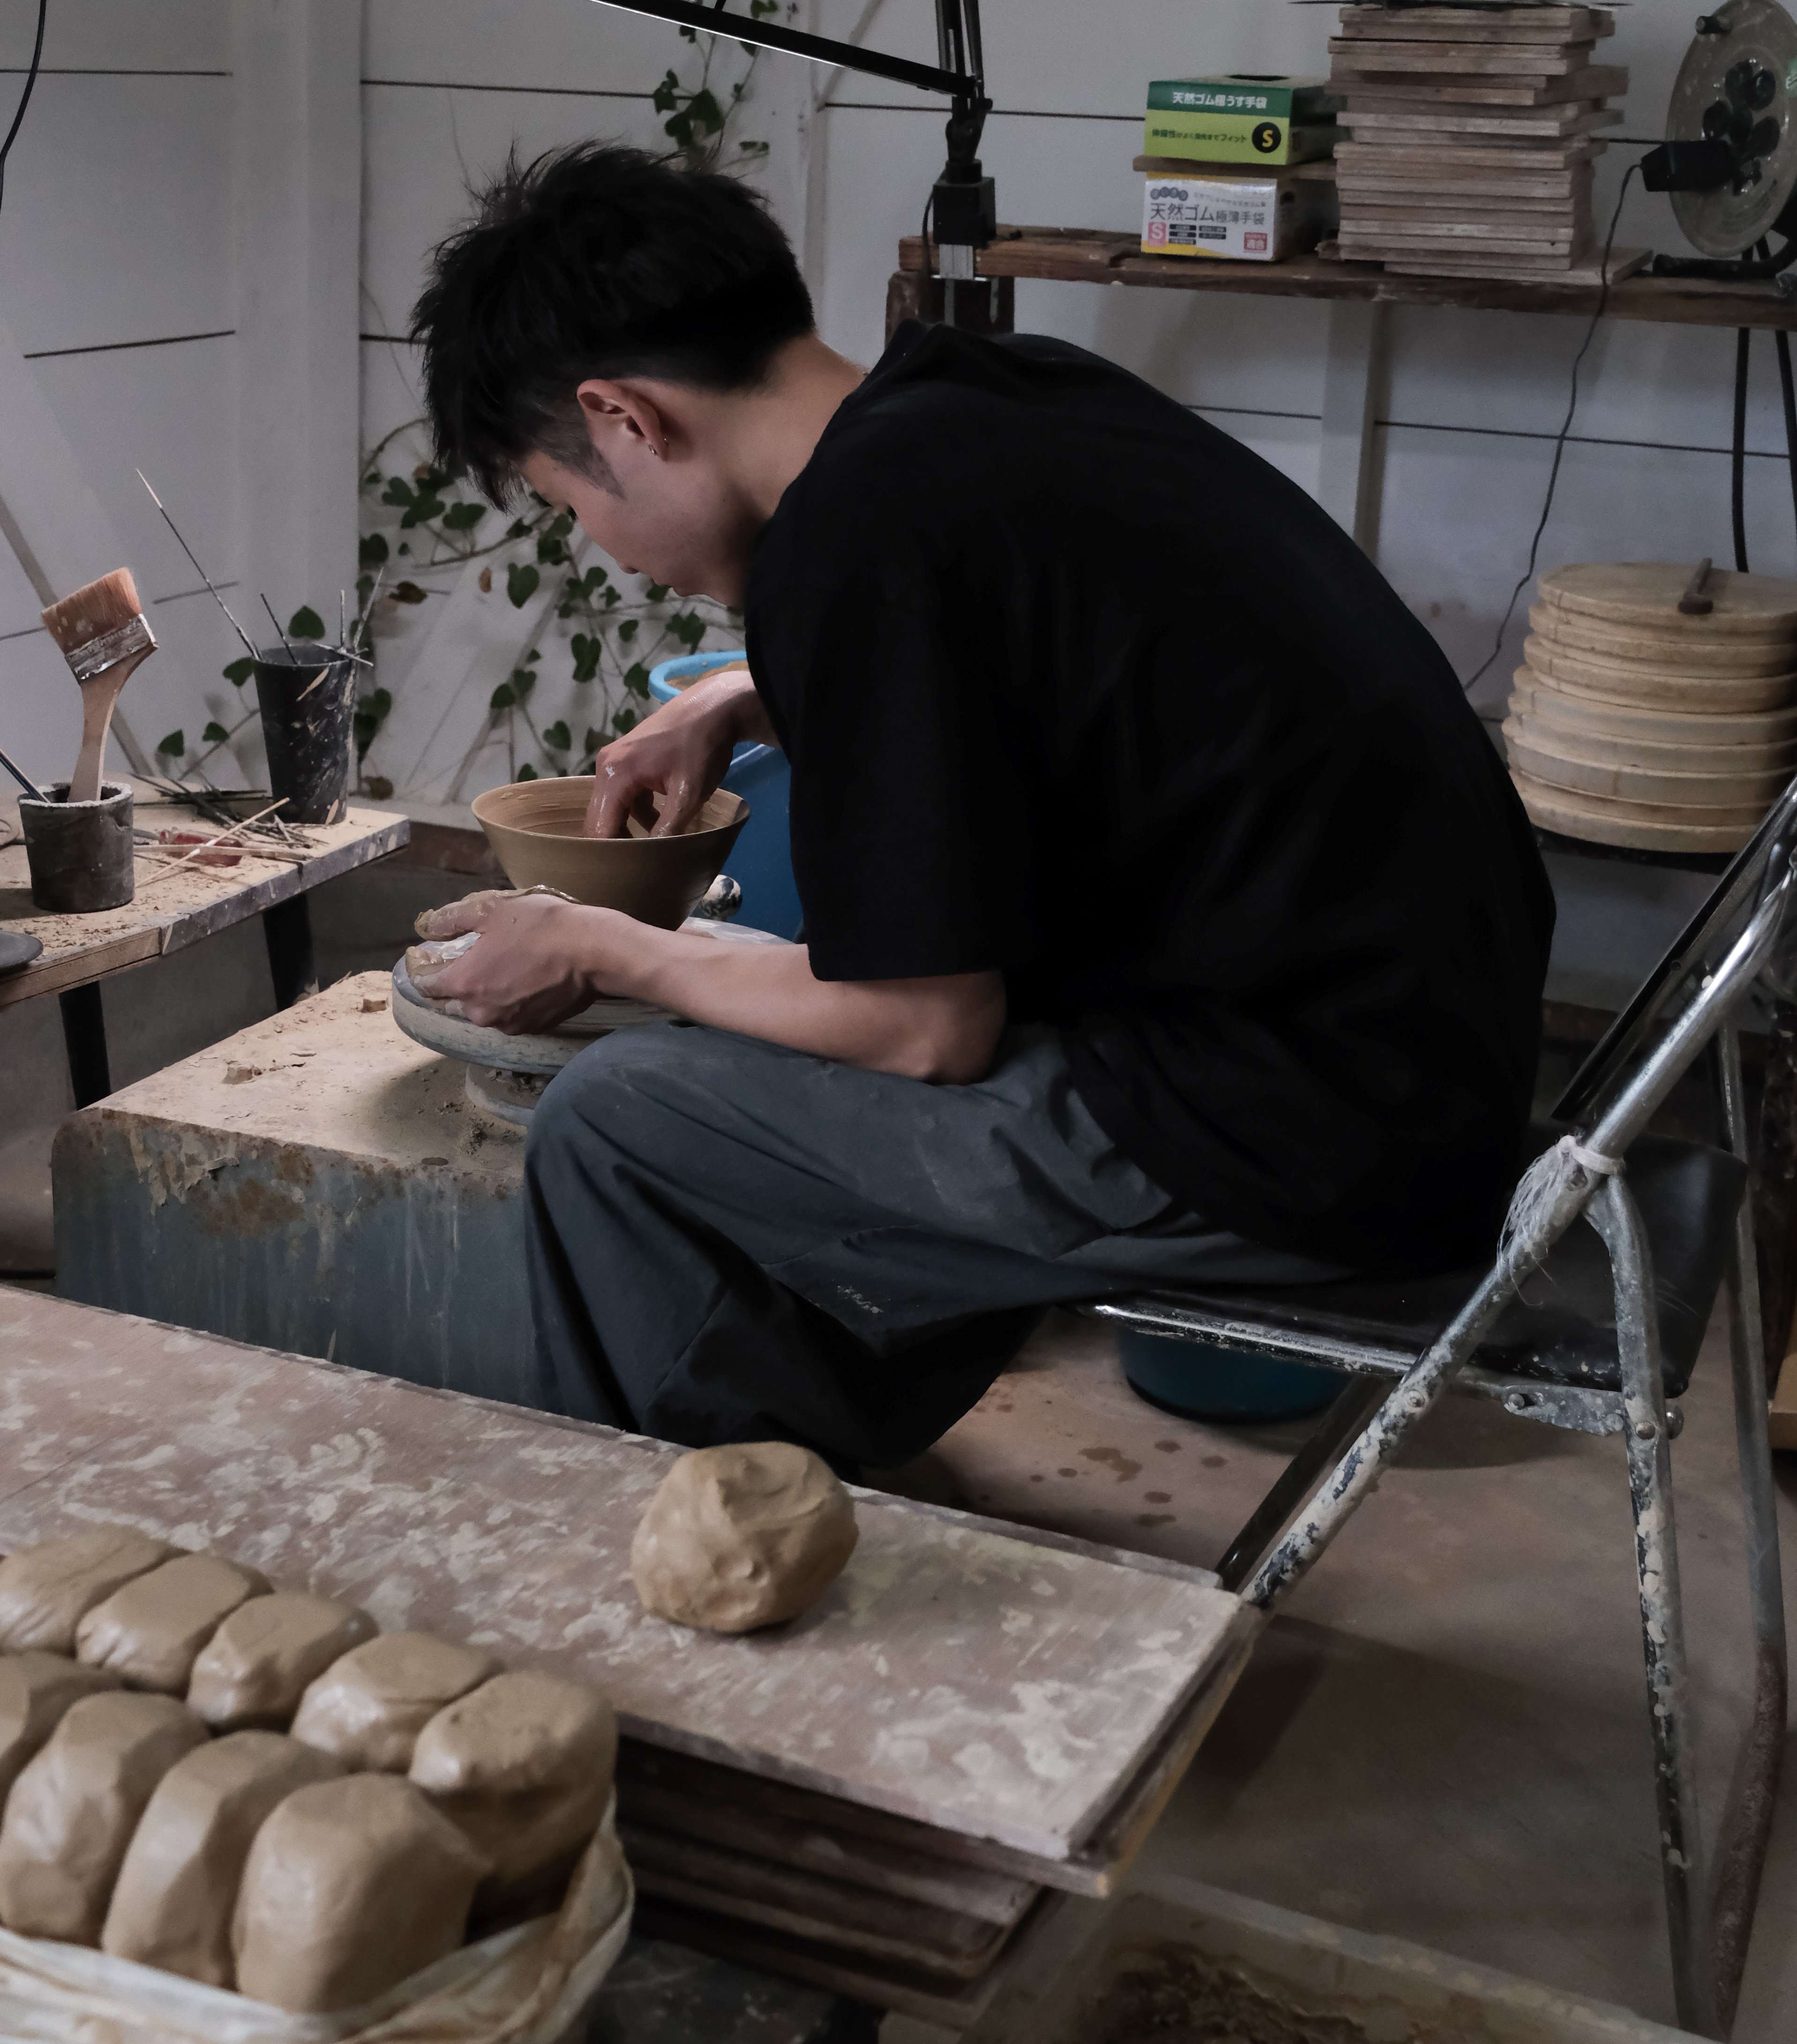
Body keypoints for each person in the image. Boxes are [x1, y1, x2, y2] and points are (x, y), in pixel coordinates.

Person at [407, 141, 1554, 1471]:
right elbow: (1051, 669)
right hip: (1419, 1062)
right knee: (746, 1010)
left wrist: (606, 944)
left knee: (621, 1122)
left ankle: (711, 1542)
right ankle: (816, 1470)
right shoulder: (984, 396)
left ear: (625, 420)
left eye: (565, 506)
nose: (602, 544)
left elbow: (923, 1030)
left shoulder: (855, 545)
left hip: (1309, 1142)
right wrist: (748, 693)